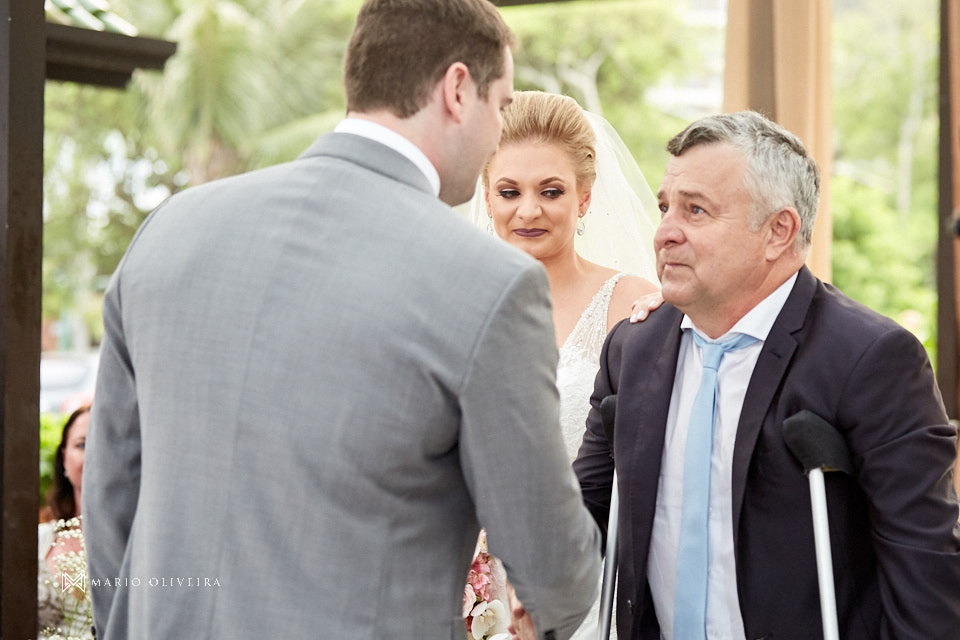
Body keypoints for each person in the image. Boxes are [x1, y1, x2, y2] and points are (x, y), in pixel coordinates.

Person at [82, 1, 602, 638]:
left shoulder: (169, 231)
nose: (499, 131)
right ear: (458, 89)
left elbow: (110, 500)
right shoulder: (489, 283)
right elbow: (552, 569)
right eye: (501, 104)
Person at [574, 110, 960, 639]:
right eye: (666, 207)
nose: (664, 232)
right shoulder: (633, 348)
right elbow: (585, 511)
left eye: (696, 210)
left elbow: (925, 567)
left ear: (778, 231)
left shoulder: (872, 359)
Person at [461, 90, 659, 640]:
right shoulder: (452, 304)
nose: (528, 210)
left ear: (586, 198)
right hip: (468, 577)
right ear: (487, 194)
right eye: (509, 191)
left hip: (590, 581)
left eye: (550, 191)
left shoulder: (635, 305)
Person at [38, 405, 93, 639]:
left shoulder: (139, 546)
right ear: (64, 458)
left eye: (105, 444)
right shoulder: (38, 539)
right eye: (82, 445)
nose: (93, 454)